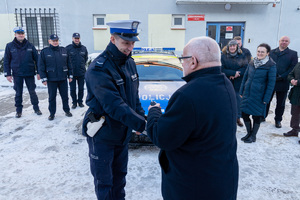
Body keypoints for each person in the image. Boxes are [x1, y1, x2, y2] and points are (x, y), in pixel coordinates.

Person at [147, 36, 239, 200]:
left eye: (182, 59)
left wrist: (154, 112)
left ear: (193, 61)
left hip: (194, 186)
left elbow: (163, 138)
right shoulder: (225, 83)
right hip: (222, 179)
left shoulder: (188, 95)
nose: (182, 64)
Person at [82, 20, 146, 200]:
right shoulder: (99, 69)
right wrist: (143, 125)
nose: (130, 47)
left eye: (133, 43)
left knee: (119, 179)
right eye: (126, 43)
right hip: (103, 134)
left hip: (122, 134)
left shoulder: (130, 63)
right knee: (105, 183)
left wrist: (143, 118)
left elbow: (134, 99)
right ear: (112, 39)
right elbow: (114, 106)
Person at [239, 43, 276, 143]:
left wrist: (266, 98)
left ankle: (253, 136)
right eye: (258, 51)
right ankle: (248, 133)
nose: (260, 53)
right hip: (247, 93)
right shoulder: (252, 62)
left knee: (257, 116)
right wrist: (242, 90)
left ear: (267, 53)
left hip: (259, 95)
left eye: (262, 52)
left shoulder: (271, 66)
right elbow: (245, 77)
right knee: (244, 113)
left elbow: (271, 84)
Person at [3, 27, 42, 118]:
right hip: (17, 74)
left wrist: (39, 72)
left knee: (32, 91)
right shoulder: (10, 46)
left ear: (24, 34)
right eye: (19, 33)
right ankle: (18, 111)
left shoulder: (30, 45)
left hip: (29, 73)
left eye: (22, 33)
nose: (21, 35)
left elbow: (37, 60)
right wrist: (8, 74)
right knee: (18, 93)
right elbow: (6, 61)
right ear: (15, 35)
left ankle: (36, 108)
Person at [265, 36, 298, 128]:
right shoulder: (271, 52)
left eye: (286, 41)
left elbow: (293, 68)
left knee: (281, 103)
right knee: (266, 100)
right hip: (270, 81)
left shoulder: (293, 54)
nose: (284, 42)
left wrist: (282, 76)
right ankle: (263, 116)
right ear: (279, 41)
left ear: (289, 43)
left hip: (283, 82)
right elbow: (266, 65)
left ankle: (278, 120)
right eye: (282, 40)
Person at [38, 34, 73, 120]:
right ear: (49, 41)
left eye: (56, 40)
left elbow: (69, 64)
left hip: (63, 78)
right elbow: (41, 66)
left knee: (65, 96)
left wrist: (70, 75)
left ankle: (67, 110)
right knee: (52, 97)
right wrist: (43, 78)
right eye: (53, 41)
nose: (55, 42)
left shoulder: (64, 50)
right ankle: (52, 113)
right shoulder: (44, 52)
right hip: (51, 79)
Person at [221, 39, 249, 127]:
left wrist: (237, 74)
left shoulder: (242, 56)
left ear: (237, 46)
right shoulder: (223, 56)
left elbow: (246, 67)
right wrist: (233, 73)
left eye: (234, 46)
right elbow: (221, 69)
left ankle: (237, 118)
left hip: (238, 82)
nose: (232, 47)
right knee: (226, 100)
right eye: (231, 46)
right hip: (227, 81)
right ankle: (227, 118)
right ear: (228, 47)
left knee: (238, 100)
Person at [66, 33, 88, 109]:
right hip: (72, 73)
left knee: (81, 88)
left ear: (79, 39)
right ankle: (74, 102)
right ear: (72, 38)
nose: (76, 39)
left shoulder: (84, 48)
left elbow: (85, 59)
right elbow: (66, 60)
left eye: (78, 38)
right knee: (72, 89)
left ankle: (80, 102)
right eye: (75, 38)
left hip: (81, 72)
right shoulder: (68, 48)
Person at [284, 62, 300, 139]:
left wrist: (298, 82)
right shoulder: (298, 64)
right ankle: (295, 130)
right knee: (295, 113)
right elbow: (291, 74)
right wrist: (292, 80)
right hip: (296, 93)